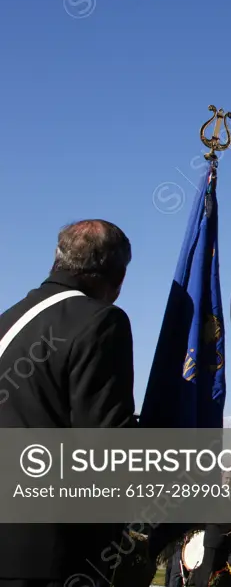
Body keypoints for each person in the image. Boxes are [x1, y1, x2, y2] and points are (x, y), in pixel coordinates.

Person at [0, 220, 136, 587]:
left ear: (56, 261)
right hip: (52, 557)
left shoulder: (7, 322)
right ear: (118, 279)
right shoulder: (100, 322)